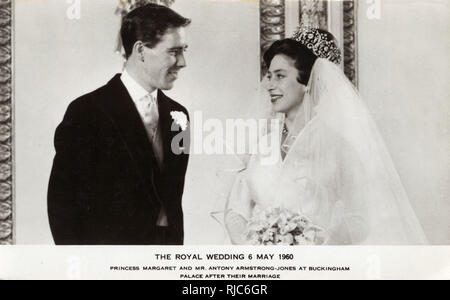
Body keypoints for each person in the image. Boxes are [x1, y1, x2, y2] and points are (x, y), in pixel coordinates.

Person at [224, 27, 428, 245]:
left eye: (280, 76)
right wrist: (254, 246)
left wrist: (313, 243)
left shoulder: (339, 148)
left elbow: (359, 219)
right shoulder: (261, 145)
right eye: (269, 76)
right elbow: (235, 210)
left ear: (307, 82)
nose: (270, 86)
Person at [48, 4, 191, 245]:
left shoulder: (180, 117)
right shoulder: (86, 112)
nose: (183, 61)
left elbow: (171, 198)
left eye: (184, 50)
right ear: (140, 51)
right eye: (174, 51)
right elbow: (62, 206)